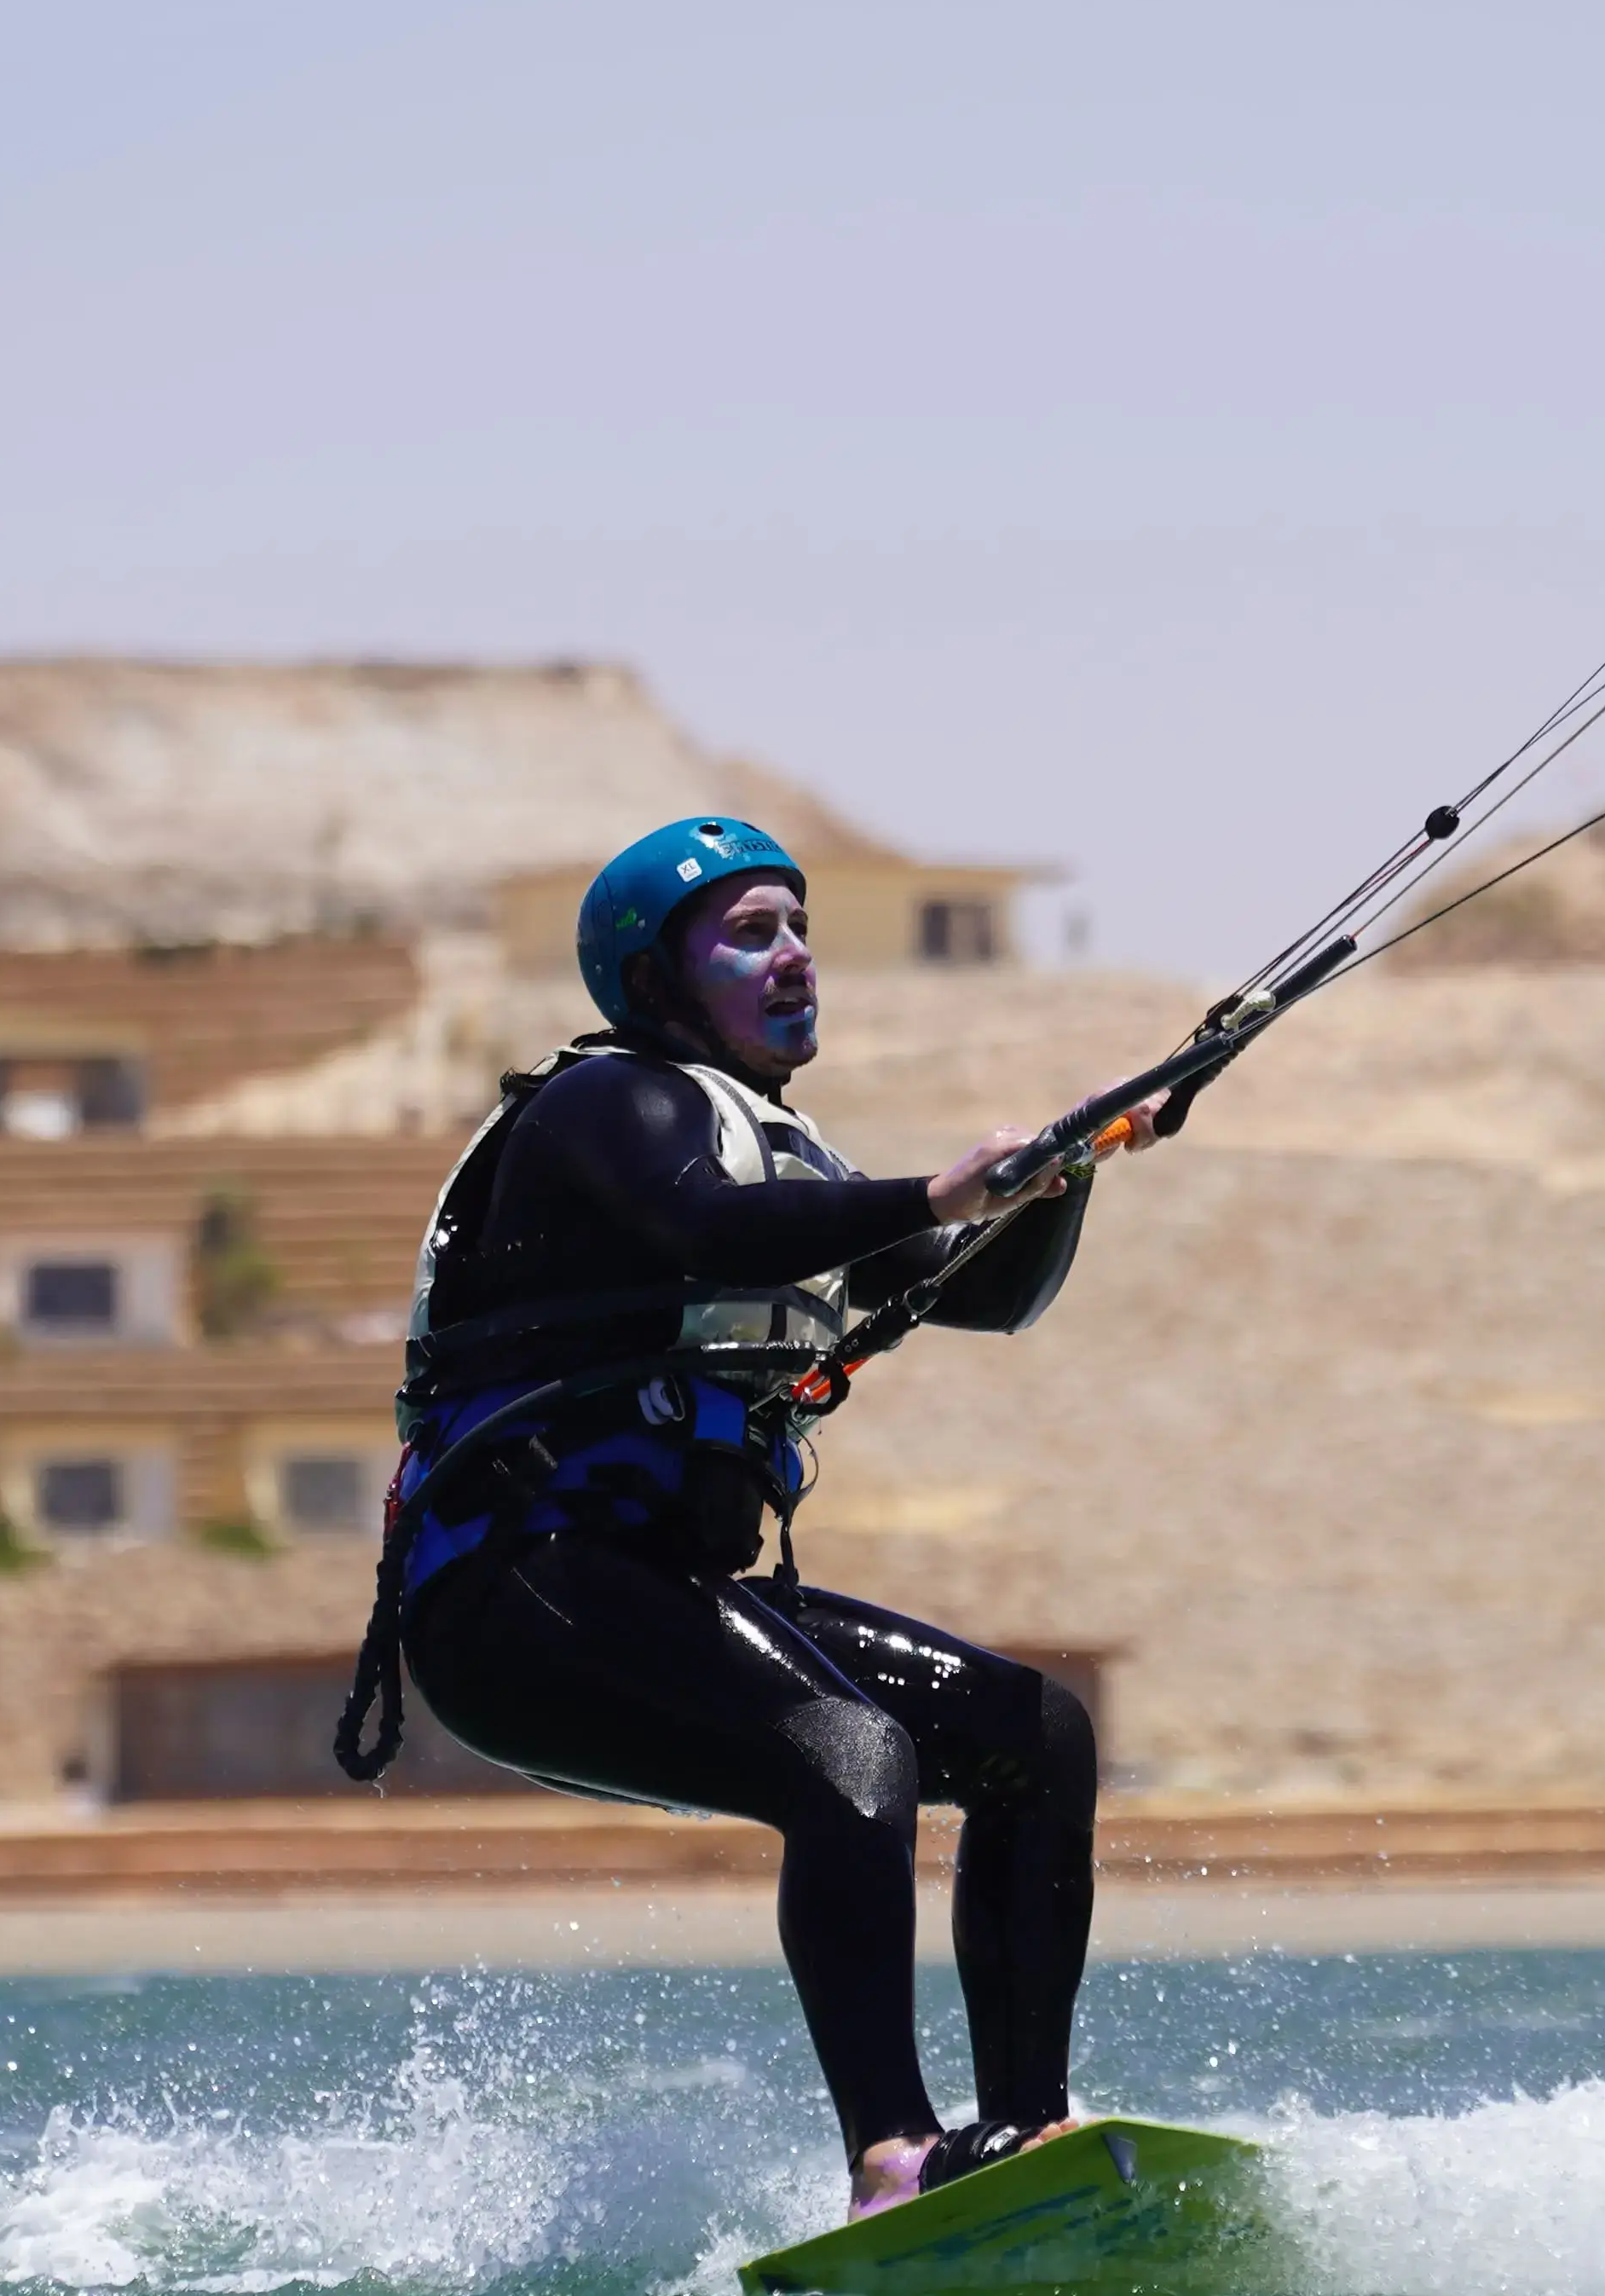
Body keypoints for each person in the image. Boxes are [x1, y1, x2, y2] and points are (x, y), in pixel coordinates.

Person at [349, 815, 1153, 2221]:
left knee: (1034, 1734)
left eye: (799, 930)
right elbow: (704, 1232)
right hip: (519, 1597)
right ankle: (891, 2160)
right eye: (749, 935)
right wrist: (943, 1187)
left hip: (658, 1591)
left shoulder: (782, 1153)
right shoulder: (613, 1106)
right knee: (850, 1750)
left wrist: (1058, 1174)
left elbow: (982, 1292)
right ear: (659, 984)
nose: (792, 960)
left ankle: (1026, 2133)